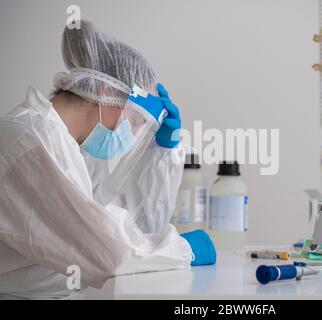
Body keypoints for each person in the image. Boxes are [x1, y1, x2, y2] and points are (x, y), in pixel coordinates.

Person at [0, 20, 215, 300]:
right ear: (106, 94)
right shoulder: (31, 142)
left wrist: (162, 151)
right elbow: (112, 254)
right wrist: (184, 249)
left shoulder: (66, 147)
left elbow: (133, 226)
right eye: (136, 121)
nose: (133, 132)